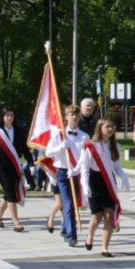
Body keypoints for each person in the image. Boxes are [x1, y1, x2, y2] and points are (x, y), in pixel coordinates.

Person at [75, 118, 130, 256]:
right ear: (100, 128)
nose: (110, 129)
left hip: (108, 182)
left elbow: (117, 166)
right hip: (95, 180)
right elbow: (85, 167)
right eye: (107, 126)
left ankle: (104, 247)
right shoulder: (91, 145)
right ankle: (90, 234)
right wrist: (85, 184)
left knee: (109, 215)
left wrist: (123, 176)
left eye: (112, 126)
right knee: (97, 216)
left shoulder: (115, 146)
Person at [46, 105, 90, 246]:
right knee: (68, 203)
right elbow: (48, 153)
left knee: (74, 204)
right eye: (71, 114)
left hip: (76, 172)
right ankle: (72, 236)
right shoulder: (59, 135)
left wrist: (78, 170)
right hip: (63, 172)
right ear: (66, 117)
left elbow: (86, 157)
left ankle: (65, 229)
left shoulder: (84, 136)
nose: (75, 117)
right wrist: (61, 147)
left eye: (76, 115)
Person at [0, 106, 34, 232]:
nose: (10, 118)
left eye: (12, 115)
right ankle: (16, 222)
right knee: (11, 193)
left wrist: (31, 162)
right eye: (7, 115)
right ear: (2, 117)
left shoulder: (18, 131)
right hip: (2, 167)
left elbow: (24, 149)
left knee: (8, 194)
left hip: (15, 166)